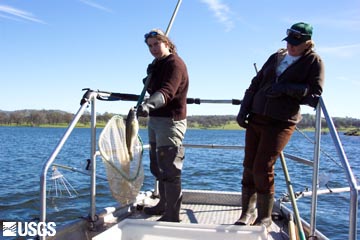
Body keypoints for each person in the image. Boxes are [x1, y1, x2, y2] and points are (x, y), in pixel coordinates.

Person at [235, 22, 324, 227]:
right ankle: (246, 213)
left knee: (262, 168)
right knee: (248, 166)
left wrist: (285, 88)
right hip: (256, 117)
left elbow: (314, 94)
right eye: (290, 41)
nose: (292, 46)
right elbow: (255, 84)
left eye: (297, 43)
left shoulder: (314, 61)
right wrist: (244, 109)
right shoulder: (276, 57)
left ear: (307, 42)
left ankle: (264, 217)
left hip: (281, 122)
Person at [137, 29, 189, 222]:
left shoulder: (175, 64)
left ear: (166, 43)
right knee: (157, 165)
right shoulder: (157, 64)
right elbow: (154, 87)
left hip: (170, 121)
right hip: (155, 119)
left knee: (169, 168)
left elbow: (167, 91)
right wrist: (148, 77)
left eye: (156, 44)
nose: (153, 49)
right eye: (149, 46)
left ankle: (172, 214)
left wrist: (148, 104)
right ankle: (162, 204)